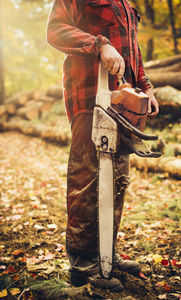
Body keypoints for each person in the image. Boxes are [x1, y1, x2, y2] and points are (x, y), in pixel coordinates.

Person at [47, 0, 159, 292]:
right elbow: (55, 31)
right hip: (88, 97)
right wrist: (99, 44)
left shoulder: (125, 4)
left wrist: (145, 86)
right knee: (88, 179)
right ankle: (83, 265)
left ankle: (106, 254)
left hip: (124, 104)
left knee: (118, 178)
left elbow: (132, 49)